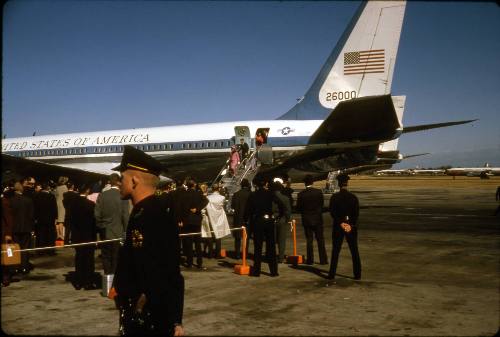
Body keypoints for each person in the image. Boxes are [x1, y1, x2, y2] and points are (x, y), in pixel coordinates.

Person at [113, 145, 184, 336]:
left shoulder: (151, 215)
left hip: (150, 316)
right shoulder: (142, 212)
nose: (118, 183)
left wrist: (174, 320)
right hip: (142, 312)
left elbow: (168, 271)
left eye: (122, 178)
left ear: (135, 180)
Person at [245, 177, 283, 277]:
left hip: (258, 221)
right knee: (271, 247)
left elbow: (248, 210)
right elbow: (281, 204)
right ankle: (273, 271)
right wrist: (276, 216)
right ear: (266, 184)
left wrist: (247, 220)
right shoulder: (270, 193)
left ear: (256, 185)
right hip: (269, 221)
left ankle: (257, 271)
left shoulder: (253, 195)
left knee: (258, 247)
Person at [95, 173, 130, 275]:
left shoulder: (102, 195)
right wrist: (126, 231)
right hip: (117, 232)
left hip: (105, 232)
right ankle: (114, 284)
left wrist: (101, 227)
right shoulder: (123, 197)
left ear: (110, 182)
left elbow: (97, 215)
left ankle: (108, 279)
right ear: (119, 182)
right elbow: (125, 216)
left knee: (106, 257)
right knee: (116, 258)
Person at [328, 174, 361, 280]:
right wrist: (350, 224)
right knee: (354, 251)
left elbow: (332, 213)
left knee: (336, 251)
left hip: (338, 226)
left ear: (338, 183)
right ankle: (357, 274)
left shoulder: (334, 197)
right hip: (350, 227)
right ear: (347, 183)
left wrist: (341, 223)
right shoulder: (353, 197)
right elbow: (356, 214)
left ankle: (332, 273)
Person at [69, 184, 97, 290]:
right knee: (89, 259)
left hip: (77, 235)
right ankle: (88, 281)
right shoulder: (90, 204)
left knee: (79, 258)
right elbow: (94, 223)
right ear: (87, 191)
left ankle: (78, 282)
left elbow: (71, 221)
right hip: (88, 235)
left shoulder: (73, 205)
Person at [296, 175, 328, 265]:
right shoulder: (318, 192)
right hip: (317, 219)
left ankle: (310, 260)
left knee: (309, 240)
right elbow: (321, 204)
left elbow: (298, 208)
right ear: (312, 182)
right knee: (320, 240)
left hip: (307, 219)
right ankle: (323, 260)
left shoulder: (301, 194)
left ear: (304, 183)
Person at [181, 179, 208, 269]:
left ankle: (189, 262)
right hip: (196, 219)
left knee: (188, 242)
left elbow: (180, 205)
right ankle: (199, 262)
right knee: (197, 242)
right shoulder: (198, 193)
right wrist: (197, 209)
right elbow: (206, 201)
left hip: (187, 219)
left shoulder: (184, 194)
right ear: (194, 185)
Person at [9, 181, 35, 274]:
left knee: (15, 248)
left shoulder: (10, 201)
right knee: (25, 248)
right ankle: (24, 267)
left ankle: (15, 267)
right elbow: (31, 216)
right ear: (21, 189)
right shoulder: (28, 200)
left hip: (15, 228)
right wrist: (32, 228)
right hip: (26, 227)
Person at [205, 184, 231, 258]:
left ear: (212, 189)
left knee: (210, 236)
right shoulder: (222, 197)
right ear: (218, 189)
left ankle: (210, 253)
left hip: (210, 218)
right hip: (219, 218)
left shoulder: (208, 198)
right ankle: (217, 253)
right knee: (218, 236)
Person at [33, 182, 58, 255]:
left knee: (41, 235)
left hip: (40, 219)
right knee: (50, 235)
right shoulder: (51, 196)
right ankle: (50, 251)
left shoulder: (37, 196)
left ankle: (40, 251)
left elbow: (35, 208)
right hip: (50, 219)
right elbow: (54, 208)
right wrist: (56, 217)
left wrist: (35, 218)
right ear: (48, 188)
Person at [271, 178, 292, 263]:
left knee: (272, 240)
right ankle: (280, 257)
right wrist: (286, 219)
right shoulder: (285, 198)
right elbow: (288, 211)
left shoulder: (270, 197)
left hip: (272, 219)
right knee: (281, 240)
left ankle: (271, 255)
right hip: (282, 219)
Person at [231, 178, 251, 259]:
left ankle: (237, 254)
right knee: (246, 237)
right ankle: (245, 254)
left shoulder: (236, 194)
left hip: (238, 218)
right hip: (248, 218)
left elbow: (233, 206)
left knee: (238, 237)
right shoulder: (250, 194)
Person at [55, 176, 69, 241]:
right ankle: (61, 236)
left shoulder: (57, 188)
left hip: (57, 204)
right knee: (61, 221)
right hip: (62, 205)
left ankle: (58, 235)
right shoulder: (65, 187)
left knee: (57, 221)